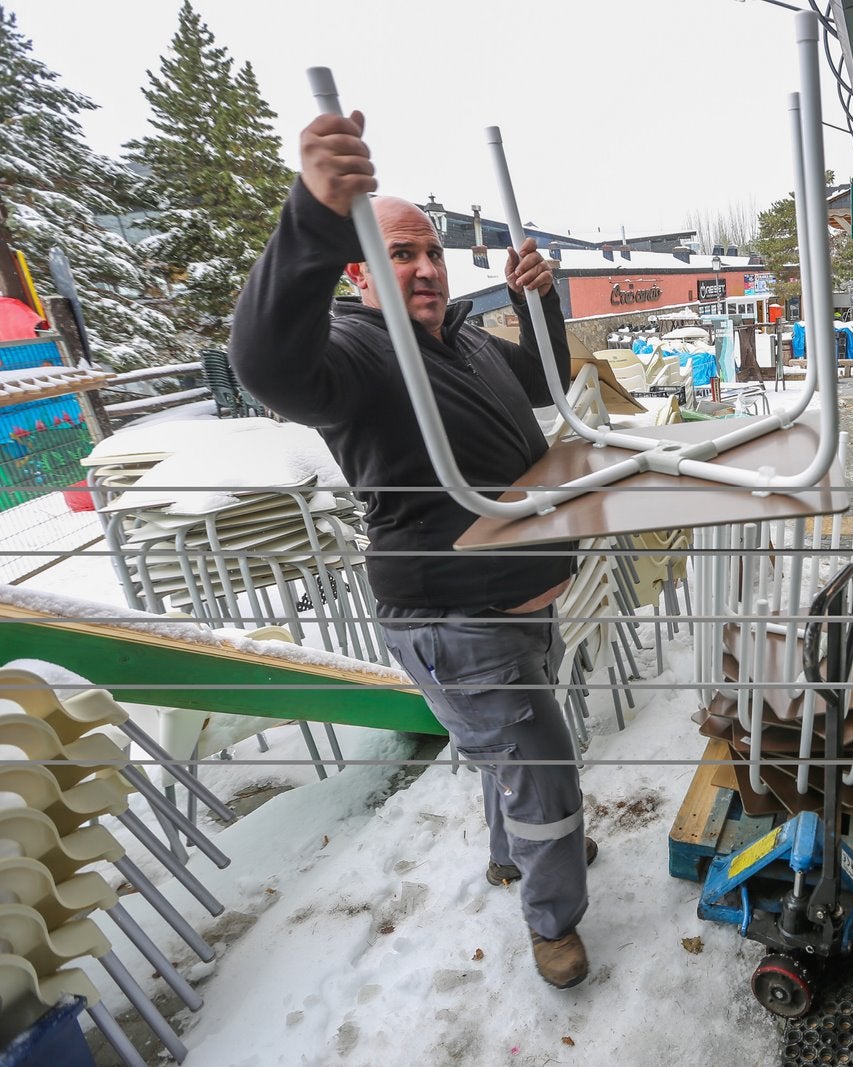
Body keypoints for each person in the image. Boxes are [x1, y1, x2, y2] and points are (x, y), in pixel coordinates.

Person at [230, 110, 594, 989]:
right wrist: (312, 216)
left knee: (517, 758)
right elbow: (268, 365)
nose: (425, 267)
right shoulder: (358, 350)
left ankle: (516, 858)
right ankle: (555, 922)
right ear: (359, 272)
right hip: (454, 616)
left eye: (430, 251)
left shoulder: (463, 339)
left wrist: (539, 297)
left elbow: (546, 375)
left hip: (515, 606)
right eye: (399, 254)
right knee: (545, 775)